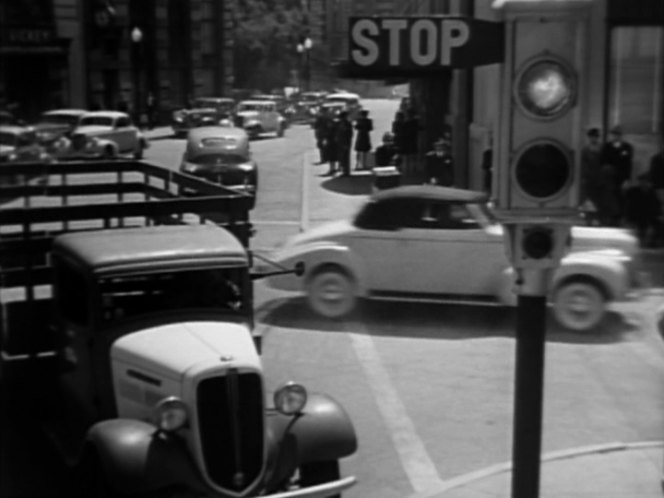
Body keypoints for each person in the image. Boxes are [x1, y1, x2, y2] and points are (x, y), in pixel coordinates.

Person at [601, 125, 633, 219]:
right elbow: (602, 162)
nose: (616, 136)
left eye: (618, 134)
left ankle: (620, 216)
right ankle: (609, 216)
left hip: (622, 177)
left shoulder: (627, 147)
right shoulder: (607, 147)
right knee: (609, 197)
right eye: (614, 134)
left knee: (621, 197)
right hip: (609, 178)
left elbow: (628, 164)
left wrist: (627, 179)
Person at [623, 173, 662, 247]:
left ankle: (651, 242)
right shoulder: (634, 191)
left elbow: (656, 205)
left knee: (655, 227)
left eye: (646, 181)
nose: (644, 183)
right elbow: (627, 200)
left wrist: (658, 214)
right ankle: (643, 242)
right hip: (638, 214)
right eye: (642, 181)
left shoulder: (652, 192)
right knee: (642, 228)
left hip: (650, 215)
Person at [401, 108, 421, 175]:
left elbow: (402, 132)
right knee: (413, 156)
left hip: (406, 140)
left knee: (407, 157)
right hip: (413, 139)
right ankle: (414, 170)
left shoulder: (405, 123)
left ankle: (407, 170)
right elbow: (421, 128)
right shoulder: (415, 122)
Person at [335, 111, 353, 176]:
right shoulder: (340, 123)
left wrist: (346, 143)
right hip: (341, 142)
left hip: (345, 142)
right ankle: (343, 170)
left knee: (345, 157)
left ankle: (346, 171)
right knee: (342, 157)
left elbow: (349, 134)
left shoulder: (347, 124)